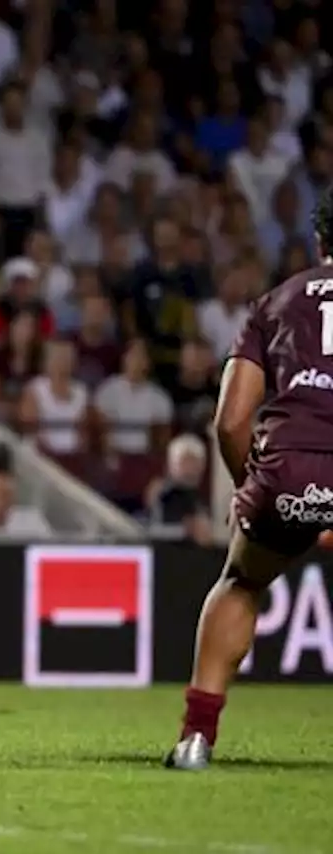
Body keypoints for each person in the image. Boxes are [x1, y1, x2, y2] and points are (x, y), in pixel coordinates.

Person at [167, 188, 333, 771]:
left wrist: (252, 487)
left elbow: (232, 418)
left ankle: (196, 740)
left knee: (240, 580)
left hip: (286, 466)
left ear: (320, 242)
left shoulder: (278, 301)